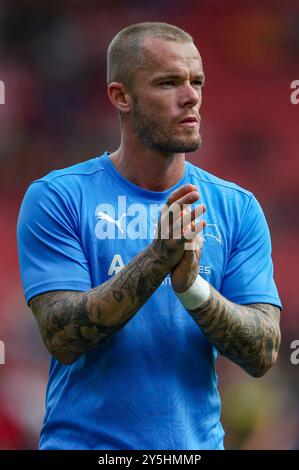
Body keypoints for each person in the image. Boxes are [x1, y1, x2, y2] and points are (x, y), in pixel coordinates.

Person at [17, 22, 282, 450]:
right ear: (121, 96)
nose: (191, 95)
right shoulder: (58, 198)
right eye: (169, 82)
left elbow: (263, 353)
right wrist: (157, 258)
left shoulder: (237, 207)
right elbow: (62, 337)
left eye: (197, 81)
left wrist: (193, 288)